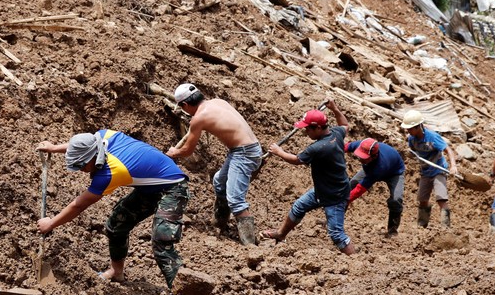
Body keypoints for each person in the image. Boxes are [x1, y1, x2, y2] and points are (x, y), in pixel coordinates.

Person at [36, 130, 212, 295]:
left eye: (81, 165)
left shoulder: (110, 173)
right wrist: (54, 148)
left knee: (161, 240)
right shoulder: (103, 136)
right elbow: (82, 145)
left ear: (92, 157)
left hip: (173, 187)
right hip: (150, 187)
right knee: (116, 226)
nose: (82, 170)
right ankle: (116, 272)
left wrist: (50, 224)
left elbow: (78, 205)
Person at [165, 83, 262, 246]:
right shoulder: (218, 102)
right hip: (246, 149)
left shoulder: (198, 119)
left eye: (182, 108)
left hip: (244, 153)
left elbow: (188, 151)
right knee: (219, 181)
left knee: (236, 199)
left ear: (185, 105)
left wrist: (174, 153)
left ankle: (250, 246)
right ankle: (219, 223)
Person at [262, 100, 355, 255]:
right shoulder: (336, 133)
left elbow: (296, 160)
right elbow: (345, 125)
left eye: (308, 129)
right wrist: (335, 109)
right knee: (298, 207)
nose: (306, 132)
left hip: (334, 196)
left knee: (336, 234)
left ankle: (355, 262)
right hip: (325, 189)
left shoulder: (318, 148)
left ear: (318, 128)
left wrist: (279, 152)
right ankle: (281, 234)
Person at [402, 110, 458, 228]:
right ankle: (422, 225)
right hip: (425, 171)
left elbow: (448, 150)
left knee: (441, 199)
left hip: (439, 170)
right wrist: (411, 154)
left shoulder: (432, 137)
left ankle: (445, 228)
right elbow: (412, 151)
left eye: (410, 128)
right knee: (422, 200)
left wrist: (453, 166)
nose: (408, 131)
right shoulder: (411, 139)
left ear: (418, 127)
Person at [345, 137, 406, 237]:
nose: (360, 159)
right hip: (370, 168)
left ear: (374, 156)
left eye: (364, 158)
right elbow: (345, 147)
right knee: (349, 187)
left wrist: (344, 199)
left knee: (396, 199)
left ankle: (392, 230)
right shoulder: (362, 145)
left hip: (395, 173)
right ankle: (334, 221)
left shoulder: (379, 167)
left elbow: (360, 189)